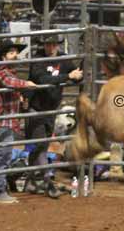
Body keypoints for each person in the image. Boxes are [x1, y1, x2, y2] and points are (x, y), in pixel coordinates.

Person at [25, 34, 83, 198]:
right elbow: (42, 79)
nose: (50, 47)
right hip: (36, 108)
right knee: (40, 144)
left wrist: (77, 75)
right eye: (48, 45)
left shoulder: (63, 59)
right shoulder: (37, 60)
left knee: (40, 146)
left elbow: (75, 74)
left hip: (51, 109)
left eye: (53, 45)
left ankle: (31, 181)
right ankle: (48, 182)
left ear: (58, 45)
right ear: (43, 45)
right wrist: (68, 76)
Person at [0, 40, 37, 204]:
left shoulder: (10, 73)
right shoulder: (4, 73)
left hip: (6, 122)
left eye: (16, 52)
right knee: (2, 156)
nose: (15, 55)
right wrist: (26, 84)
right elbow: (10, 82)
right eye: (11, 53)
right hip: (3, 122)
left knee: (4, 155)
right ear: (3, 57)